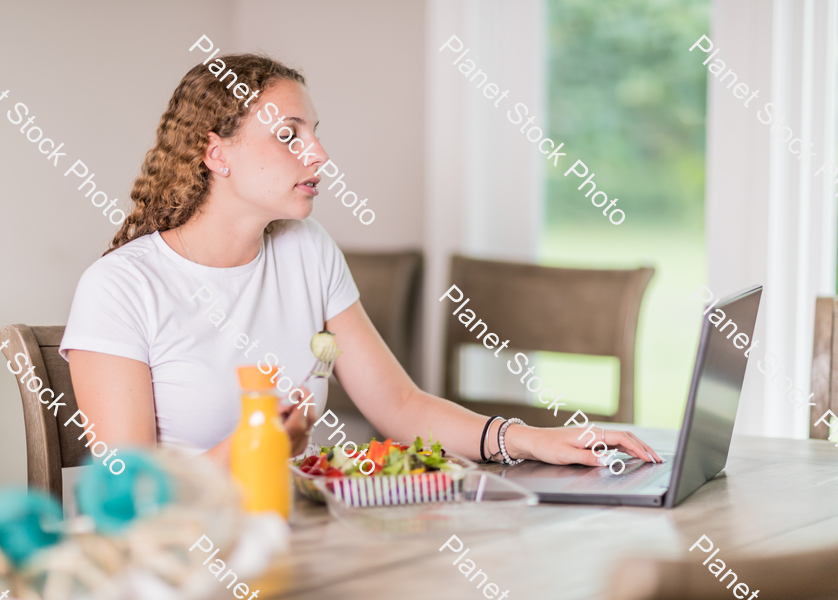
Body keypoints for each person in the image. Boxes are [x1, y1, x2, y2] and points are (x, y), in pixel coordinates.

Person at [60, 53, 661, 469]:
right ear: (216, 153)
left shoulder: (307, 248)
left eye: (315, 131)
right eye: (290, 135)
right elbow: (132, 496)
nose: (318, 153)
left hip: (291, 537)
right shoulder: (120, 288)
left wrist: (529, 440)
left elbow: (398, 406)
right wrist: (256, 444)